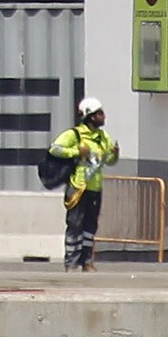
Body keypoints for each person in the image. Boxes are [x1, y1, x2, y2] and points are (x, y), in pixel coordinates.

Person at [48, 97, 118, 271]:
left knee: (90, 226)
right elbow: (55, 149)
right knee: (75, 225)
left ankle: (87, 261)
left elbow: (108, 160)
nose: (103, 116)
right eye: (99, 113)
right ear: (91, 116)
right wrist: (76, 151)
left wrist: (114, 155)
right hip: (78, 186)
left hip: (95, 187)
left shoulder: (102, 137)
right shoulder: (75, 134)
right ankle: (71, 262)